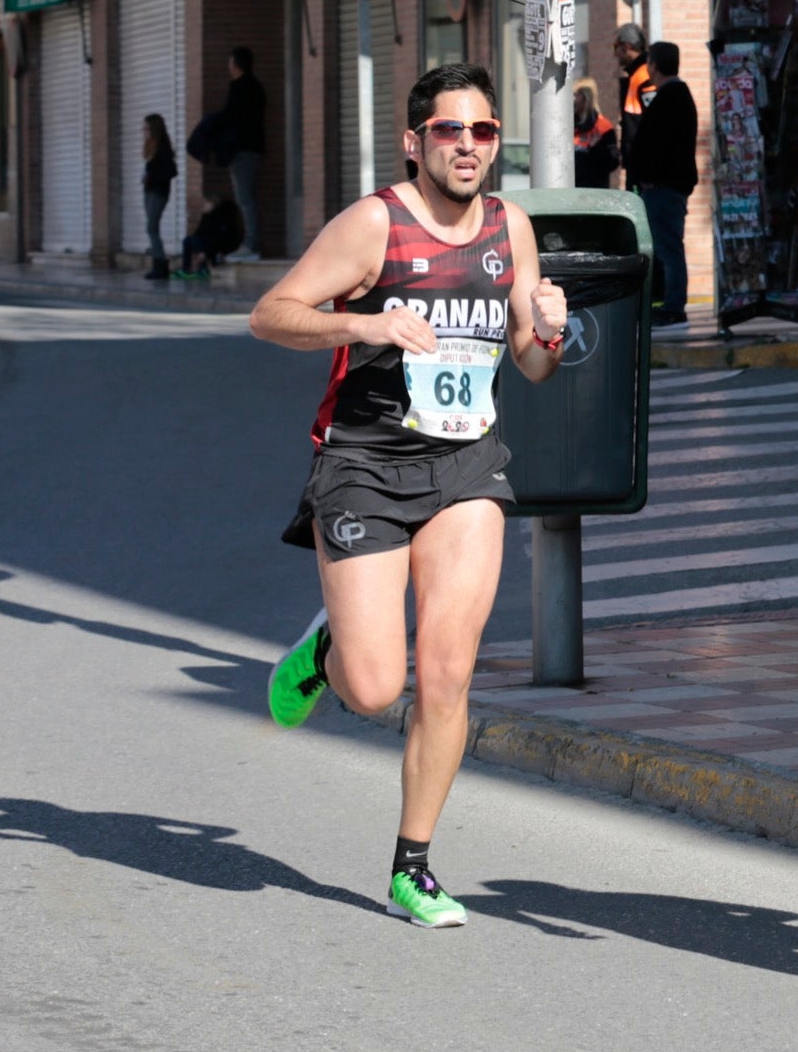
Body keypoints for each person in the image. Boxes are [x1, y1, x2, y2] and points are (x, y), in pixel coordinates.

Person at [250, 64, 569, 928]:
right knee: (371, 684)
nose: (467, 148)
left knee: (448, 672)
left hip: (466, 468)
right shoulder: (374, 224)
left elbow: (531, 364)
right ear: (415, 140)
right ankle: (328, 652)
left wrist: (549, 326)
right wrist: (362, 322)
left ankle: (414, 864)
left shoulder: (512, 227)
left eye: (484, 133)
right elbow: (271, 313)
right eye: (449, 132)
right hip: (364, 463)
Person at [629, 41, 697, 334]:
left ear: (654, 66)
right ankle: (668, 304)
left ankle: (674, 306)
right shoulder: (675, 96)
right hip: (664, 185)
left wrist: (648, 175)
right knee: (665, 246)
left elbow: (659, 145)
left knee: (669, 248)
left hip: (665, 187)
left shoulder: (671, 98)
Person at [222, 46, 267, 260]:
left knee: (246, 198)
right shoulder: (254, 87)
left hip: (244, 151)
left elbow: (233, 120)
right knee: (246, 198)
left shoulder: (242, 88)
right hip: (249, 149)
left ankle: (251, 245)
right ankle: (250, 243)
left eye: (230, 62)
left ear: (236, 64)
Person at [612, 22, 654, 190]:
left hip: (644, 166)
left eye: (616, 46)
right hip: (638, 164)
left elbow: (653, 121)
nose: (615, 53)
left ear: (627, 46)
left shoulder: (643, 76)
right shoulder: (635, 75)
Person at [142, 113, 178, 280]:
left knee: (152, 227)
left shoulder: (163, 148)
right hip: (150, 190)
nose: (144, 131)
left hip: (158, 192)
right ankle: (158, 262)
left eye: (147, 128)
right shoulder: (151, 146)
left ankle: (160, 264)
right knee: (151, 227)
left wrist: (153, 176)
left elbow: (170, 171)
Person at [173, 195, 244, 278]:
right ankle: (186, 269)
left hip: (213, 247)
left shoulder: (218, 219)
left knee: (197, 241)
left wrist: (205, 252)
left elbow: (217, 239)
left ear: (213, 205)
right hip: (204, 244)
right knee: (188, 240)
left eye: (206, 203)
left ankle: (203, 269)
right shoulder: (206, 217)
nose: (204, 205)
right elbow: (198, 233)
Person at [572, 77, 619, 189]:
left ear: (586, 97)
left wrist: (595, 148)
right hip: (572, 191)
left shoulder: (603, 126)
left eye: (575, 95)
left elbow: (613, 162)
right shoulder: (567, 125)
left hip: (595, 192)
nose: (572, 99)